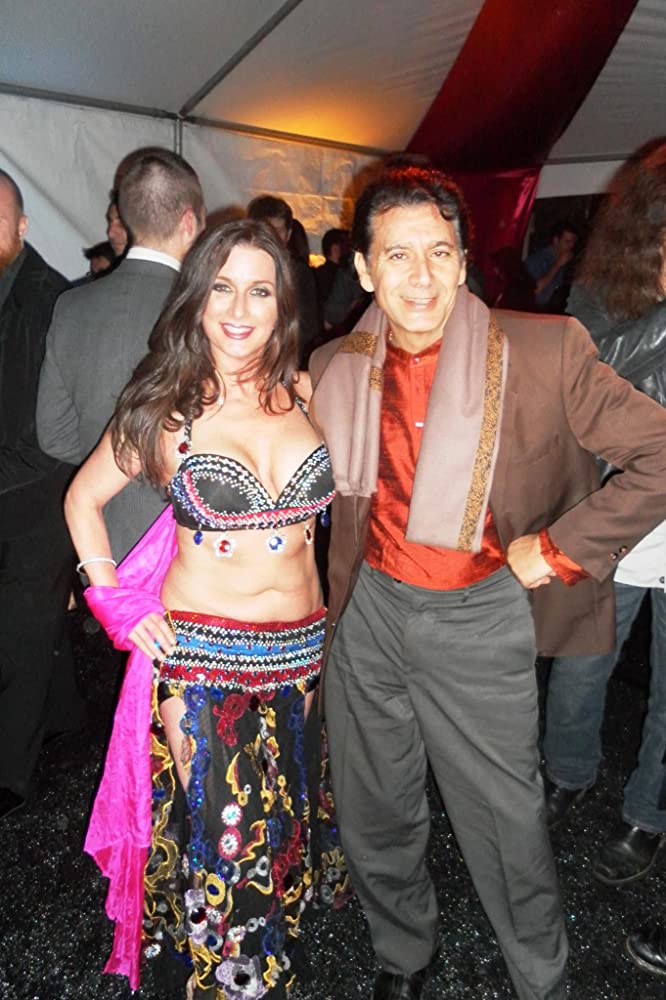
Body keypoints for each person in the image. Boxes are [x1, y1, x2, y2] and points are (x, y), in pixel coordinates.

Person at [308, 165, 666, 1000]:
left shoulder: (543, 350)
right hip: (369, 611)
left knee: (506, 822)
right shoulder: (333, 366)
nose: (421, 277)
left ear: (465, 261)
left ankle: (542, 979)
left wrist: (563, 547)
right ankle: (403, 953)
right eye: (398, 255)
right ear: (363, 268)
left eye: (440, 252)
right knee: (373, 804)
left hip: (478, 614)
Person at [63, 219, 346, 997]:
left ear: (283, 303)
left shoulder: (304, 391)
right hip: (203, 658)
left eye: (259, 290)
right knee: (229, 842)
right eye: (221, 288)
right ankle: (237, 984)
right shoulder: (166, 409)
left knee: (283, 824)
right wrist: (115, 601)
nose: (239, 309)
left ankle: (263, 954)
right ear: (195, 298)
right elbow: (83, 500)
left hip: (301, 651)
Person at [543, 140, 666, 886]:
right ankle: (567, 773)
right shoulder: (605, 286)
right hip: (622, 500)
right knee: (583, 662)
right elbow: (585, 372)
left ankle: (648, 812)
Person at [37, 147, 205, 561]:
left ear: (127, 217)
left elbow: (53, 434)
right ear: (189, 221)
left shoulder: (71, 305)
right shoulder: (205, 311)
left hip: (100, 539)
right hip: (186, 546)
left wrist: (108, 467)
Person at [0, 168, 85, 822]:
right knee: (29, 627)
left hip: (38, 496)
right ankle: (65, 715)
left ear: (23, 225)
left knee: (19, 634)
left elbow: (43, 435)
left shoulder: (45, 301)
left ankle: (10, 774)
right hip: (12, 485)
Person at [247, 195, 320, 366]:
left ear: (288, 234)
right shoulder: (236, 267)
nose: (272, 237)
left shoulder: (298, 273)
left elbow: (308, 327)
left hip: (282, 361)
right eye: (267, 229)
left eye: (278, 230)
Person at [525, 220, 578, 311]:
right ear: (556, 240)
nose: (571, 246)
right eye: (567, 242)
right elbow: (534, 290)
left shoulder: (563, 259)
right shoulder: (538, 259)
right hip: (534, 310)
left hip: (552, 309)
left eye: (573, 242)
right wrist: (557, 265)